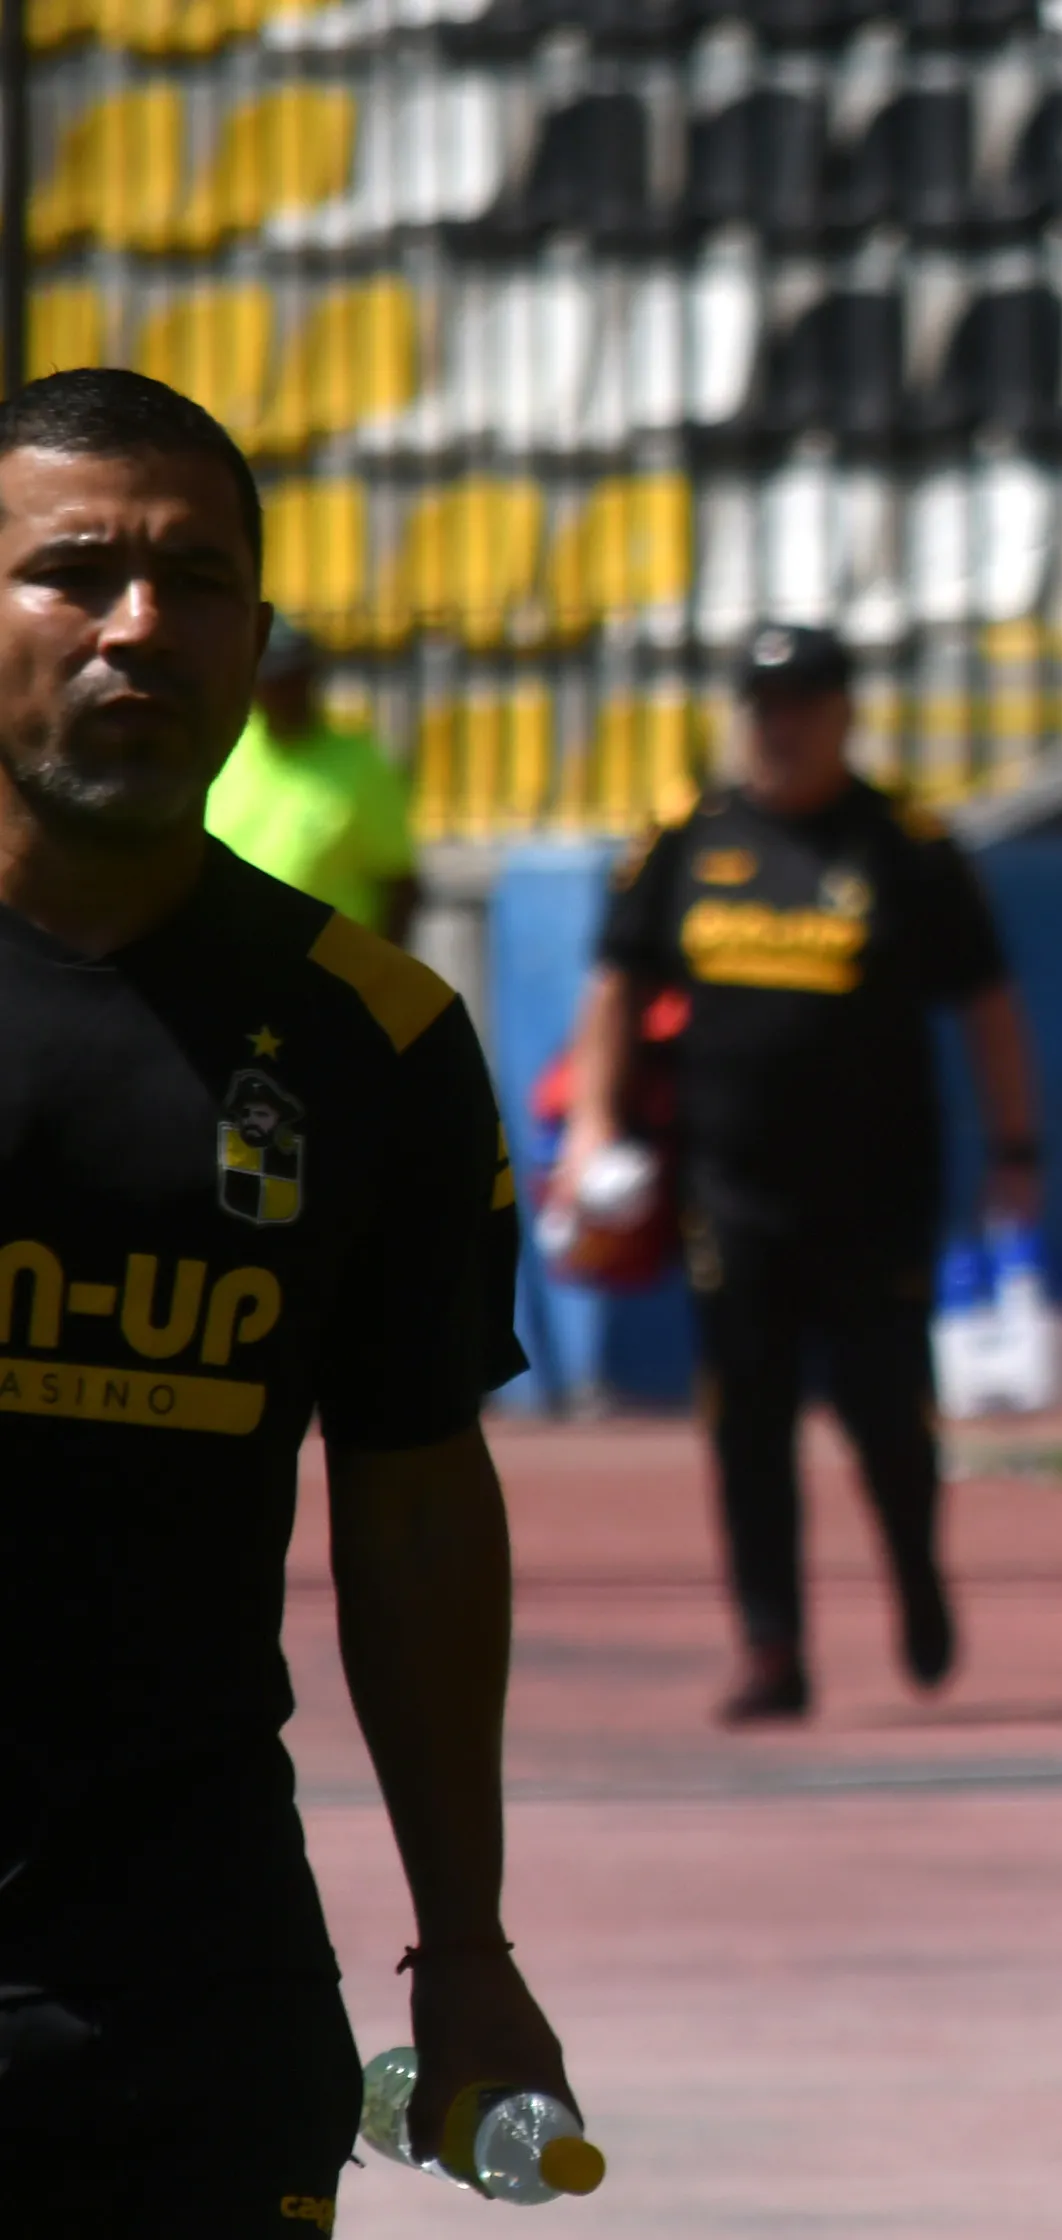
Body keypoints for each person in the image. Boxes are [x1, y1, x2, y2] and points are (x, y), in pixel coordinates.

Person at [0, 368, 575, 2228]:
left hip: (192, 1986)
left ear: (255, 634)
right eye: (74, 572)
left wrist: (463, 1946)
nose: (139, 624)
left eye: (196, 578)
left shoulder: (373, 1041)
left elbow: (414, 1500)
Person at [558, 623, 1041, 1725]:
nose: (781, 723)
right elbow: (617, 984)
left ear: (844, 713)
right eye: (765, 702)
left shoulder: (906, 844)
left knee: (886, 1415)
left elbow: (989, 1003)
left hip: (876, 1193)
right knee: (749, 1424)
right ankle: (772, 1643)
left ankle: (916, 1574)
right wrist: (593, 1123)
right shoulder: (687, 836)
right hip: (729, 1193)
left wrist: (1017, 1148)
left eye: (805, 702)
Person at [203, 614, 417, 942]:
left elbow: (398, 883)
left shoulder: (361, 765)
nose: (287, 692)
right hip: (231, 964)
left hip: (327, 973)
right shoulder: (222, 751)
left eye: (295, 678)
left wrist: (380, 981)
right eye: (275, 680)